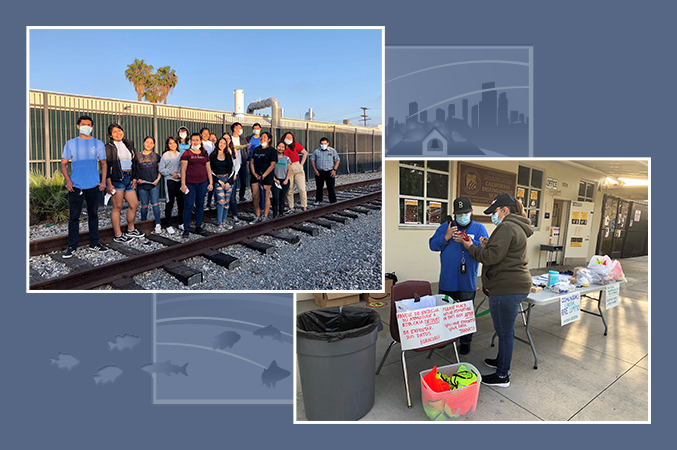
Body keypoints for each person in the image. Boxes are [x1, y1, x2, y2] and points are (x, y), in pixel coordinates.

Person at [454, 193, 533, 388]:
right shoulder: (517, 226)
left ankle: (502, 375)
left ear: (505, 210)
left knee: (505, 332)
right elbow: (505, 253)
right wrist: (488, 245)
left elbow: (490, 258)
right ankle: (501, 361)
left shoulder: (506, 226)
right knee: (504, 330)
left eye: (495, 211)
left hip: (506, 286)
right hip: (515, 284)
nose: (493, 216)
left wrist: (471, 246)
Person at [429, 197, 488, 355]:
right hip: (448, 280)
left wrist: (475, 244)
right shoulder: (446, 227)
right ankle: (444, 338)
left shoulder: (479, 228)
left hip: (467, 281)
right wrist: (446, 237)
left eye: (465, 213)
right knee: (445, 312)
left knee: (465, 314)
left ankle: (465, 341)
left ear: (471, 212)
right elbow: (432, 245)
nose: (462, 216)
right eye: (459, 213)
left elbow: (484, 251)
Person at [60, 115, 108, 258]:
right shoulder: (70, 143)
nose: (86, 126)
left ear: (92, 127)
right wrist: (68, 181)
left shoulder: (98, 144)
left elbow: (104, 163)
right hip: (76, 186)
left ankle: (94, 243)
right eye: (83, 124)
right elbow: (63, 163)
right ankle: (72, 246)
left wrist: (103, 181)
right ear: (78, 126)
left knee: (93, 215)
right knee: (74, 217)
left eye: (88, 124)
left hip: (93, 185)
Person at [105, 123, 144, 243]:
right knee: (118, 207)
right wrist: (108, 183)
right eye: (115, 132)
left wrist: (135, 178)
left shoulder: (129, 144)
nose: (118, 133)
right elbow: (106, 165)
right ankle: (118, 234)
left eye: (119, 130)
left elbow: (135, 161)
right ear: (111, 135)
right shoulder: (108, 147)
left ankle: (131, 229)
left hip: (129, 177)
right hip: (117, 179)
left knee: (134, 204)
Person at [180, 133, 213, 237]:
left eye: (197, 140)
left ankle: (198, 226)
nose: (195, 142)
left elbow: (208, 169)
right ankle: (186, 228)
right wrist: (183, 184)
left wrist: (211, 182)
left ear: (200, 141)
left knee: (200, 205)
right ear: (190, 142)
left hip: (202, 183)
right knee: (188, 206)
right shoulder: (186, 153)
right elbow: (183, 170)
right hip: (190, 184)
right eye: (193, 140)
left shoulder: (204, 153)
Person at [135, 136, 162, 233]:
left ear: (154, 145)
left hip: (154, 184)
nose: (149, 144)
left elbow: (160, 170)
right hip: (142, 185)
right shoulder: (137, 156)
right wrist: (137, 179)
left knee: (155, 204)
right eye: (147, 142)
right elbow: (135, 170)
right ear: (143, 143)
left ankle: (158, 224)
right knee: (144, 205)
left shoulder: (156, 156)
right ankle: (143, 223)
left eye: (151, 143)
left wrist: (157, 180)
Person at [249, 132, 276, 222]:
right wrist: (253, 173)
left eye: (264, 137)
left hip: (266, 176)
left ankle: (265, 215)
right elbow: (252, 162)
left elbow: (272, 165)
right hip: (255, 175)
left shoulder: (272, 151)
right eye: (261, 137)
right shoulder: (256, 149)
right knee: (255, 195)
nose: (262, 139)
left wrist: (263, 175)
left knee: (265, 195)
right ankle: (257, 215)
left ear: (269, 139)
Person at [159, 137, 183, 234]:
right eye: (170, 143)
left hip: (180, 181)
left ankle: (181, 222)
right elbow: (161, 169)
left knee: (181, 203)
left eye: (174, 143)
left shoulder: (180, 155)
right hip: (170, 181)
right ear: (167, 145)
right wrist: (171, 173)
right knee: (170, 203)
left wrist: (180, 175)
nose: (172, 145)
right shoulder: (165, 155)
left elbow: (184, 168)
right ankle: (168, 225)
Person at [209, 137, 235, 231]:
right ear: (217, 143)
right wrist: (218, 180)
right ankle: (219, 224)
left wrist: (229, 182)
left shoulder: (228, 156)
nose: (222, 145)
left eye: (224, 143)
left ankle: (224, 222)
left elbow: (233, 170)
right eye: (220, 143)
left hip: (227, 179)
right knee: (221, 201)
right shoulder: (212, 156)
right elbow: (210, 170)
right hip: (218, 180)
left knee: (227, 202)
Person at [282, 131, 308, 212]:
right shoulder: (282, 146)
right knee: (290, 189)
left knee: (301, 188)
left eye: (290, 138)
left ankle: (304, 206)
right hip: (287, 167)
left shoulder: (295, 145)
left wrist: (301, 164)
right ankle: (291, 207)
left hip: (297, 166)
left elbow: (305, 153)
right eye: (287, 137)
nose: (288, 139)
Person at [309, 137, 340, 204]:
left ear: (328, 143)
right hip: (319, 172)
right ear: (320, 144)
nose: (323, 145)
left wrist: (334, 169)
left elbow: (337, 160)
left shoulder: (332, 151)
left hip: (330, 172)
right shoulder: (317, 151)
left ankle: (332, 201)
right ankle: (318, 200)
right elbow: (312, 160)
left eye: (325, 143)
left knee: (331, 187)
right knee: (319, 187)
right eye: (322, 143)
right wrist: (315, 170)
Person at [222, 132, 243, 224]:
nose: (226, 140)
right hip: (222, 176)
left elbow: (237, 163)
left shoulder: (233, 150)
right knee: (222, 197)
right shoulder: (218, 151)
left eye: (228, 138)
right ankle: (223, 217)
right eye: (224, 138)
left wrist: (235, 174)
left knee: (232, 197)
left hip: (232, 176)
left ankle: (235, 215)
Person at [272, 141, 292, 218]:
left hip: (284, 180)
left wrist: (286, 179)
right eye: (279, 146)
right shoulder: (273, 158)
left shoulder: (286, 158)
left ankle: (281, 213)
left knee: (282, 197)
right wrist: (275, 179)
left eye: (282, 147)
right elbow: (270, 170)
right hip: (275, 180)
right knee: (276, 197)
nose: (280, 148)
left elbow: (289, 170)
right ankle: (274, 214)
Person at [231, 122, 250, 202]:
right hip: (232, 164)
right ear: (234, 129)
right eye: (239, 127)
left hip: (242, 162)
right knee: (233, 181)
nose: (240, 129)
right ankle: (232, 197)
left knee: (243, 181)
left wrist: (247, 158)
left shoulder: (242, 139)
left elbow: (247, 149)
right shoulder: (230, 139)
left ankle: (241, 196)